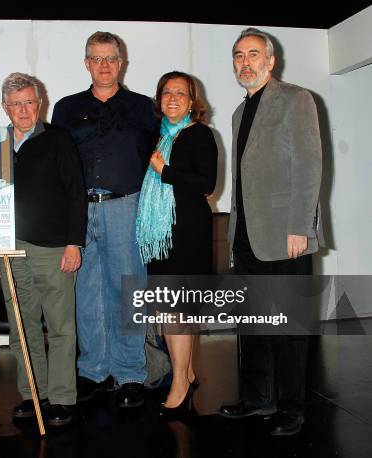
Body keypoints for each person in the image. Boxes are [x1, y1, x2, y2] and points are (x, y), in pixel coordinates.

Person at [218, 28, 323, 436]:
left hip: (285, 234)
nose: (245, 62)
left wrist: (300, 225)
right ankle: (258, 399)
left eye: (253, 54)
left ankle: (292, 408)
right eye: (239, 56)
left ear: (270, 60)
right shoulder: (239, 112)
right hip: (247, 236)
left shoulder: (296, 99)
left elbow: (310, 164)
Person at [52, 31, 158, 408]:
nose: (104, 66)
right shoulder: (65, 109)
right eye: (96, 59)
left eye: (110, 58)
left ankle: (130, 372)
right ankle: (93, 370)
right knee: (85, 292)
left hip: (126, 206)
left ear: (121, 62)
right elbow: (58, 162)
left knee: (128, 288)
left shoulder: (142, 107)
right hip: (79, 208)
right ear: (86, 64)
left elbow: (158, 156)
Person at [0, 72, 87, 426]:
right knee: (22, 326)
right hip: (10, 249)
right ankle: (34, 394)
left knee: (61, 326)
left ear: (39, 103)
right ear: (5, 107)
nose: (23, 109)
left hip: (54, 249)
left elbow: (77, 193)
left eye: (29, 102)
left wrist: (74, 243)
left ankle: (61, 398)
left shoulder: (59, 139)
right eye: (16, 104)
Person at [135, 71, 217, 419]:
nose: (172, 98)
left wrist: (165, 170)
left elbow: (207, 183)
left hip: (188, 234)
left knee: (178, 310)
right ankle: (188, 370)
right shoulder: (153, 137)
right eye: (166, 92)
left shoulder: (201, 135)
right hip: (158, 237)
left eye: (180, 94)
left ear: (191, 101)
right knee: (166, 309)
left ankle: (180, 385)